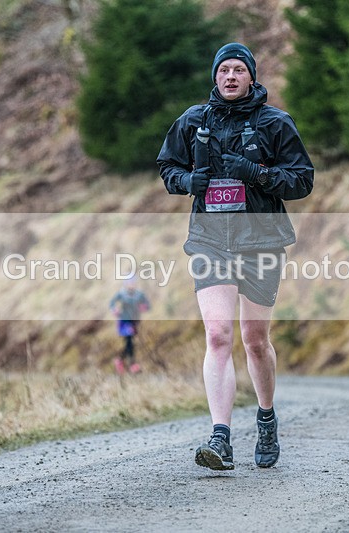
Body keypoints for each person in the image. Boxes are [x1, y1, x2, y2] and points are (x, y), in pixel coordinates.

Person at [157, 42, 314, 470]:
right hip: (210, 240)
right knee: (218, 335)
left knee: (255, 341)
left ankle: (266, 418)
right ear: (215, 76)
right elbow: (168, 167)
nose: (230, 76)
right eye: (223, 69)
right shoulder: (193, 120)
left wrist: (258, 174)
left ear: (251, 76)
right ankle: (220, 438)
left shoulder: (275, 123)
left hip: (261, 241)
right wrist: (189, 181)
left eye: (238, 70)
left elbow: (302, 180)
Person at [108, 277, 150, 374]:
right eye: (129, 283)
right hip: (124, 321)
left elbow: (147, 305)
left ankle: (120, 360)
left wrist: (144, 307)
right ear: (126, 284)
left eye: (133, 283)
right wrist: (115, 310)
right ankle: (132, 364)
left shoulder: (139, 294)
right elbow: (111, 303)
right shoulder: (121, 294)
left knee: (129, 343)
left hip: (134, 321)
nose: (131, 285)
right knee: (129, 341)